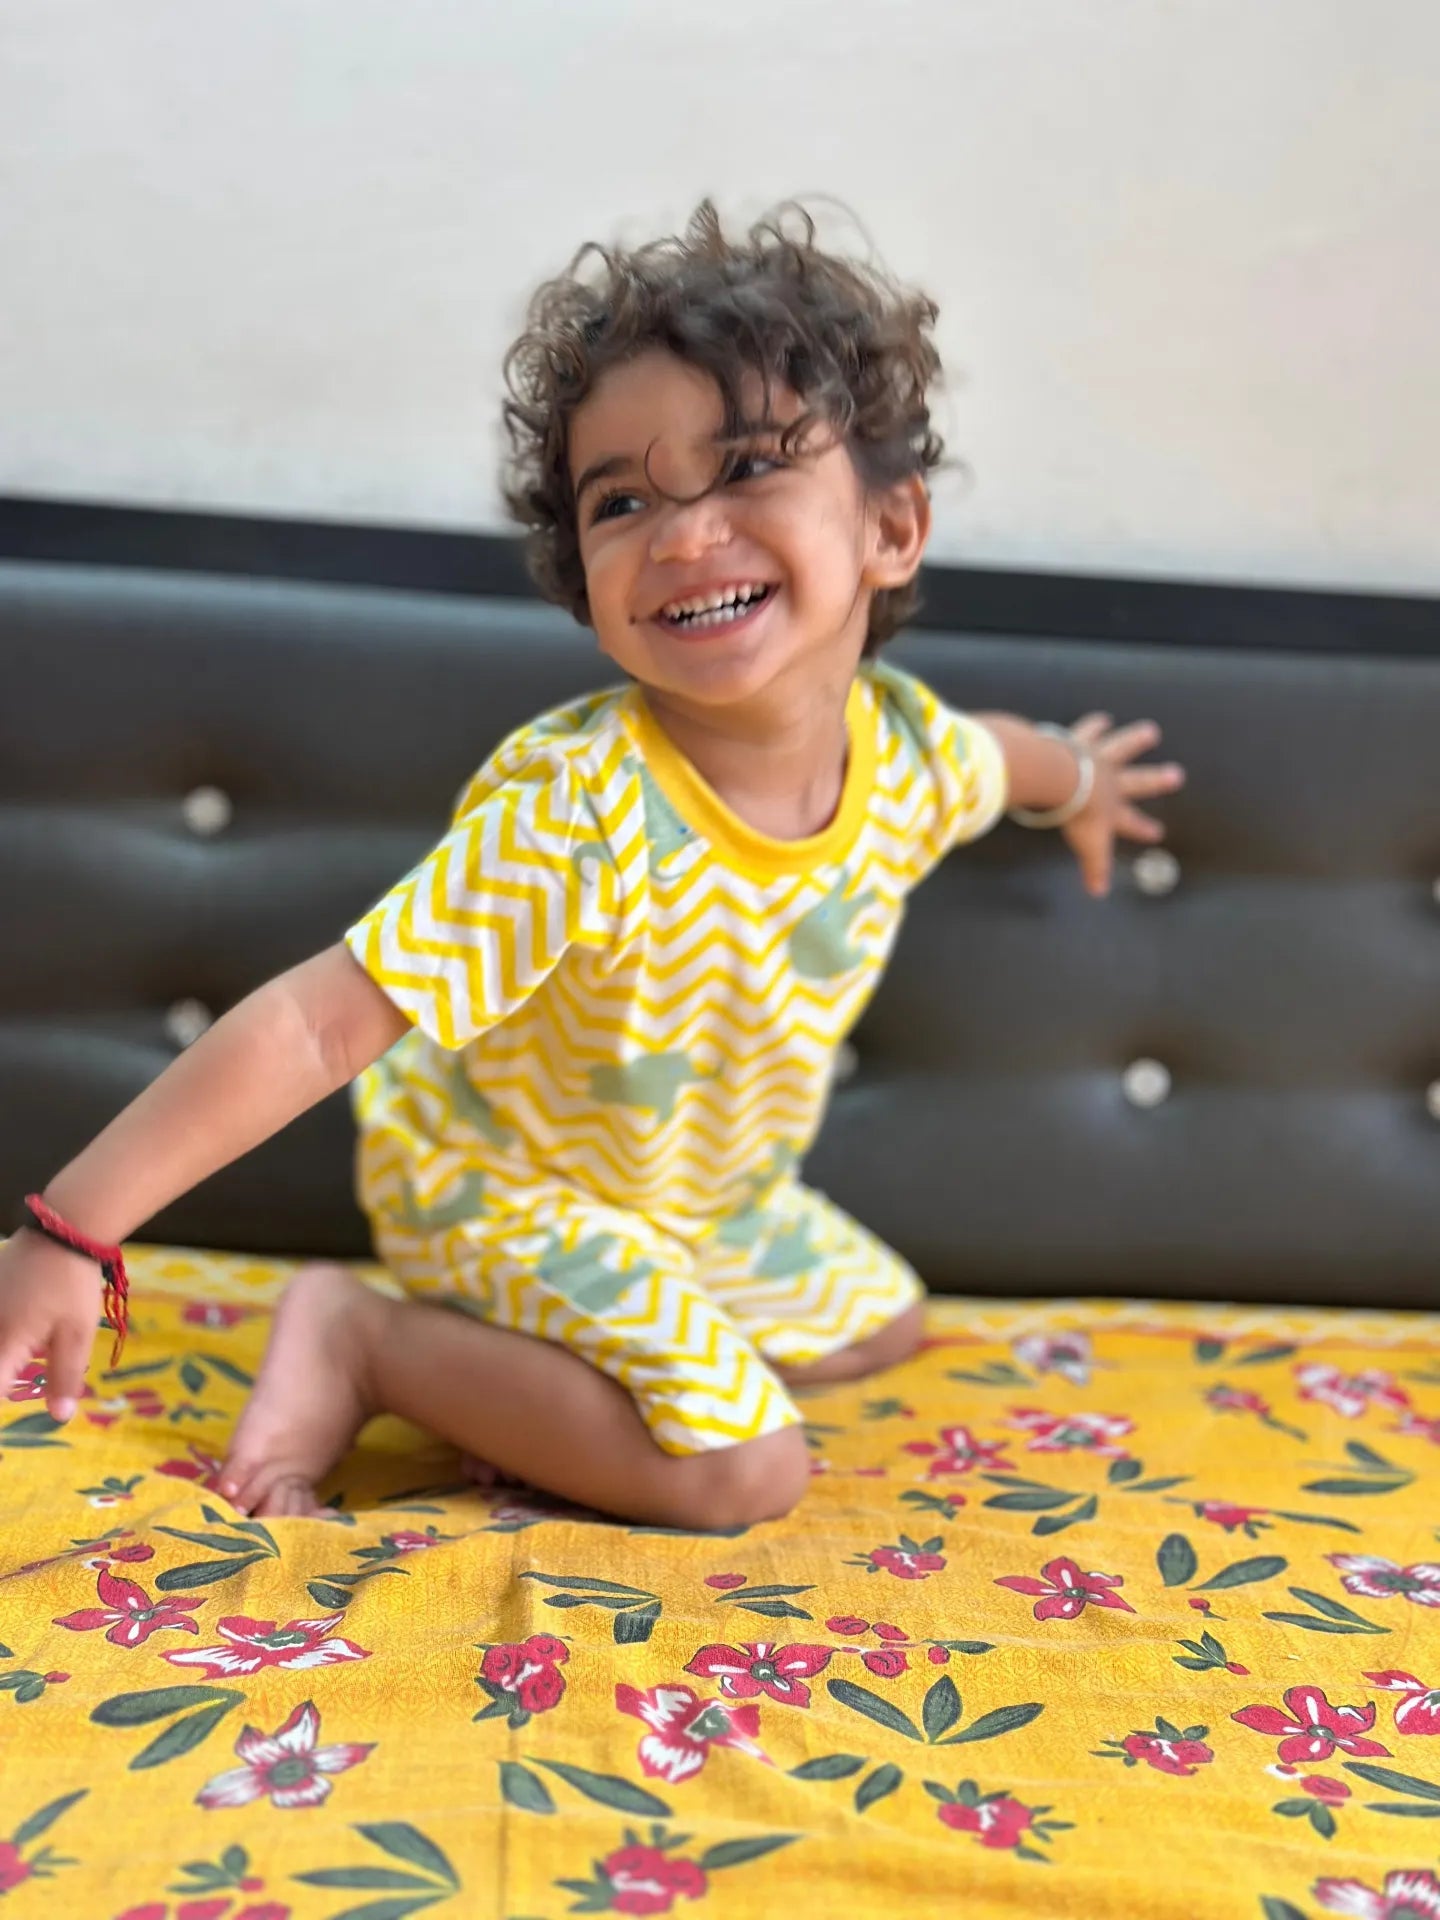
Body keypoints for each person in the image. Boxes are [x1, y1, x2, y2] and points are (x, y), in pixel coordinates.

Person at [0, 203, 1183, 1528]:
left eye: (746, 468)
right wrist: (71, 1230)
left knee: (882, 1326)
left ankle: (539, 1356)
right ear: (586, 583)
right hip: (499, 1186)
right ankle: (361, 1337)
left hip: (703, 1200)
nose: (682, 536)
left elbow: (1005, 759)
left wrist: (1082, 784)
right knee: (747, 1471)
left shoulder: (907, 757)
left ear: (890, 531)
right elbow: (318, 1025)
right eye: (621, 501)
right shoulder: (580, 811)